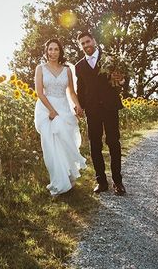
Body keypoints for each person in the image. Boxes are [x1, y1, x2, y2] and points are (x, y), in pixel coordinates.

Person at [74, 31, 126, 195]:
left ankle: (118, 182)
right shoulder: (79, 67)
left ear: (94, 41)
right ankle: (101, 182)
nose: (86, 45)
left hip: (110, 107)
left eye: (87, 42)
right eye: (82, 43)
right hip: (92, 110)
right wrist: (80, 107)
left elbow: (122, 81)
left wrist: (122, 79)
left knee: (113, 143)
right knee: (95, 145)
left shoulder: (110, 59)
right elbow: (80, 90)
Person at [34, 38, 87, 196]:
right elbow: (39, 92)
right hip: (46, 109)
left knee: (66, 142)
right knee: (51, 146)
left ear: (60, 51)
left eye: (56, 49)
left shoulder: (67, 70)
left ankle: (68, 176)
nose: (53, 52)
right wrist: (51, 110)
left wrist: (78, 106)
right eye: (50, 49)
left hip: (63, 108)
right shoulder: (40, 68)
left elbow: (71, 91)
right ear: (46, 51)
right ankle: (58, 182)